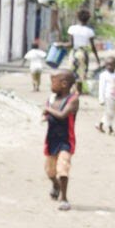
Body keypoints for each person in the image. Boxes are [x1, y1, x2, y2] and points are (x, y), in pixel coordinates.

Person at [43, 69, 79, 211]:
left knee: (62, 169)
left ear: (64, 84)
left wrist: (48, 109)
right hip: (52, 139)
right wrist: (46, 114)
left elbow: (63, 115)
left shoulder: (73, 100)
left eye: (53, 82)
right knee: (50, 172)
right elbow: (49, 115)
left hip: (66, 140)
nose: (51, 85)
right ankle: (56, 184)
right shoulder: (52, 99)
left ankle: (64, 198)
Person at [67, 9, 100, 91]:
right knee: (81, 75)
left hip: (74, 53)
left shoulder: (72, 29)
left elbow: (70, 44)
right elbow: (93, 47)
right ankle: (78, 93)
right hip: (83, 54)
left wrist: (60, 45)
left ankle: (71, 93)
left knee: (72, 73)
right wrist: (97, 59)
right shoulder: (90, 31)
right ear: (88, 19)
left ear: (78, 18)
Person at [96, 57, 115, 134]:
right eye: (107, 65)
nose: (109, 67)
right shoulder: (103, 75)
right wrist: (101, 99)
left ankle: (100, 125)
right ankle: (110, 129)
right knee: (110, 113)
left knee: (111, 113)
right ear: (105, 65)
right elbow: (101, 88)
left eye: (111, 65)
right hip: (108, 97)